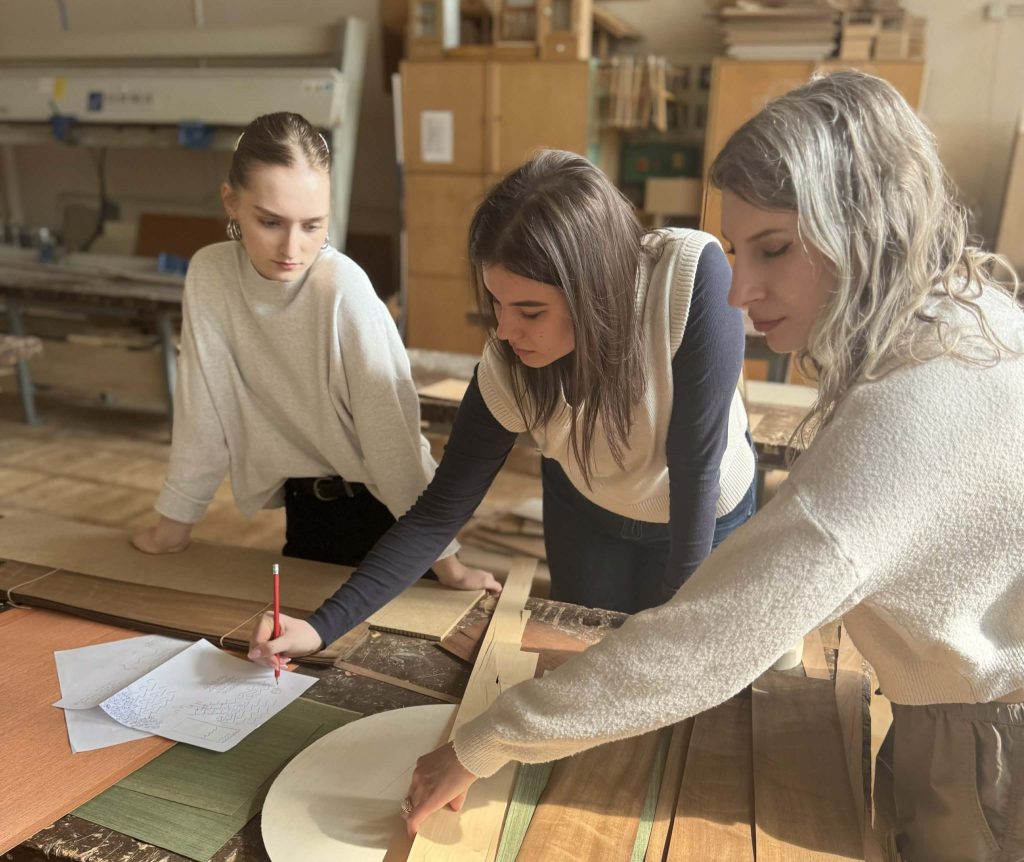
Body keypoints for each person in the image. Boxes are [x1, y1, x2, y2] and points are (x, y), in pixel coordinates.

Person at [394, 71, 1024, 862]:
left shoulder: (905, 416)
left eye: (774, 249)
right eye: (737, 250)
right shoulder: (974, 316)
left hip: (989, 743)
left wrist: (481, 742)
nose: (740, 292)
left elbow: (709, 642)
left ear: (865, 226)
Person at [249, 145, 757, 666]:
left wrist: (674, 624)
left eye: (530, 312)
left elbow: (695, 467)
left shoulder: (689, 278)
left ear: (594, 291)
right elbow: (437, 515)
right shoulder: (508, 366)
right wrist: (320, 627)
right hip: (589, 509)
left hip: (703, 510)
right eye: (497, 303)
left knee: (681, 664)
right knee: (583, 660)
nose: (505, 331)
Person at [132, 111, 496, 596]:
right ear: (231, 202)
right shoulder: (210, 275)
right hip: (306, 509)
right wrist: (173, 527)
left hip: (391, 520)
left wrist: (449, 565)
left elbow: (394, 445)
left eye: (312, 225)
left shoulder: (342, 288)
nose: (292, 247)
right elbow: (204, 413)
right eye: (270, 222)